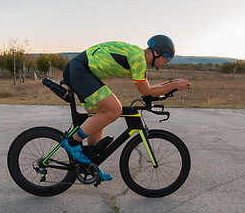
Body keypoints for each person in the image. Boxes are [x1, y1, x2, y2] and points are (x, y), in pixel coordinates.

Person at [61, 34, 191, 181]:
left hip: (79, 71)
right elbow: (147, 92)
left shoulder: (139, 57)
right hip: (80, 71)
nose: (167, 62)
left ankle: (90, 165)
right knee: (115, 110)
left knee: (100, 117)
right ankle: (72, 142)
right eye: (167, 57)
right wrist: (173, 85)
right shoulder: (138, 59)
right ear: (156, 52)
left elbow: (148, 89)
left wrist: (172, 82)